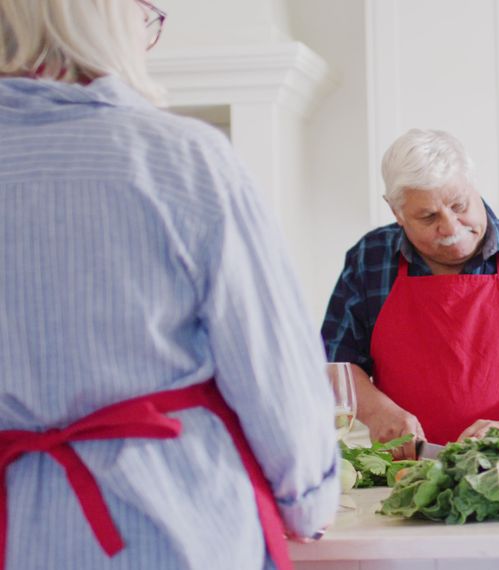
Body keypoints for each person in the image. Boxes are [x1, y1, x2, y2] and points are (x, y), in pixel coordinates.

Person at [0, 1, 338, 568]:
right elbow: (270, 362)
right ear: (107, 25)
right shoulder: (183, 159)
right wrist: (308, 498)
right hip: (175, 523)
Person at [322, 128, 499, 456]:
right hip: (407, 471)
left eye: (459, 205)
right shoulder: (369, 258)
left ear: (473, 186)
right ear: (397, 213)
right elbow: (335, 363)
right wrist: (377, 413)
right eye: (428, 216)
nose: (450, 227)